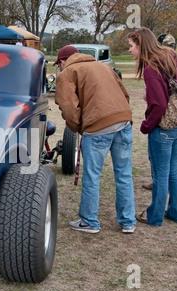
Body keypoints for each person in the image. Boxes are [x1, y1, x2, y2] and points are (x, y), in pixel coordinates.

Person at [55, 45, 136, 234]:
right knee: (124, 174)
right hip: (123, 122)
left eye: (58, 64)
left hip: (97, 127)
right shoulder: (104, 66)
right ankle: (128, 221)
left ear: (62, 61)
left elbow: (68, 107)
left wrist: (78, 127)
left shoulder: (68, 73)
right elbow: (124, 94)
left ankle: (89, 221)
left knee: (92, 176)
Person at [128, 27, 177, 226]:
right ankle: (176, 212)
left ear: (141, 45)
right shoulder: (170, 55)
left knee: (161, 174)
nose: (129, 50)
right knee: (173, 172)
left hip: (164, 128)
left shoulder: (151, 68)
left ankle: (154, 216)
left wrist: (146, 126)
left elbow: (159, 104)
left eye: (131, 46)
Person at [141, 32, 177, 190]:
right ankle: (176, 205)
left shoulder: (155, 66)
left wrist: (147, 125)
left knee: (162, 171)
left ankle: (156, 212)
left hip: (166, 122)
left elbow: (160, 103)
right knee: (174, 168)